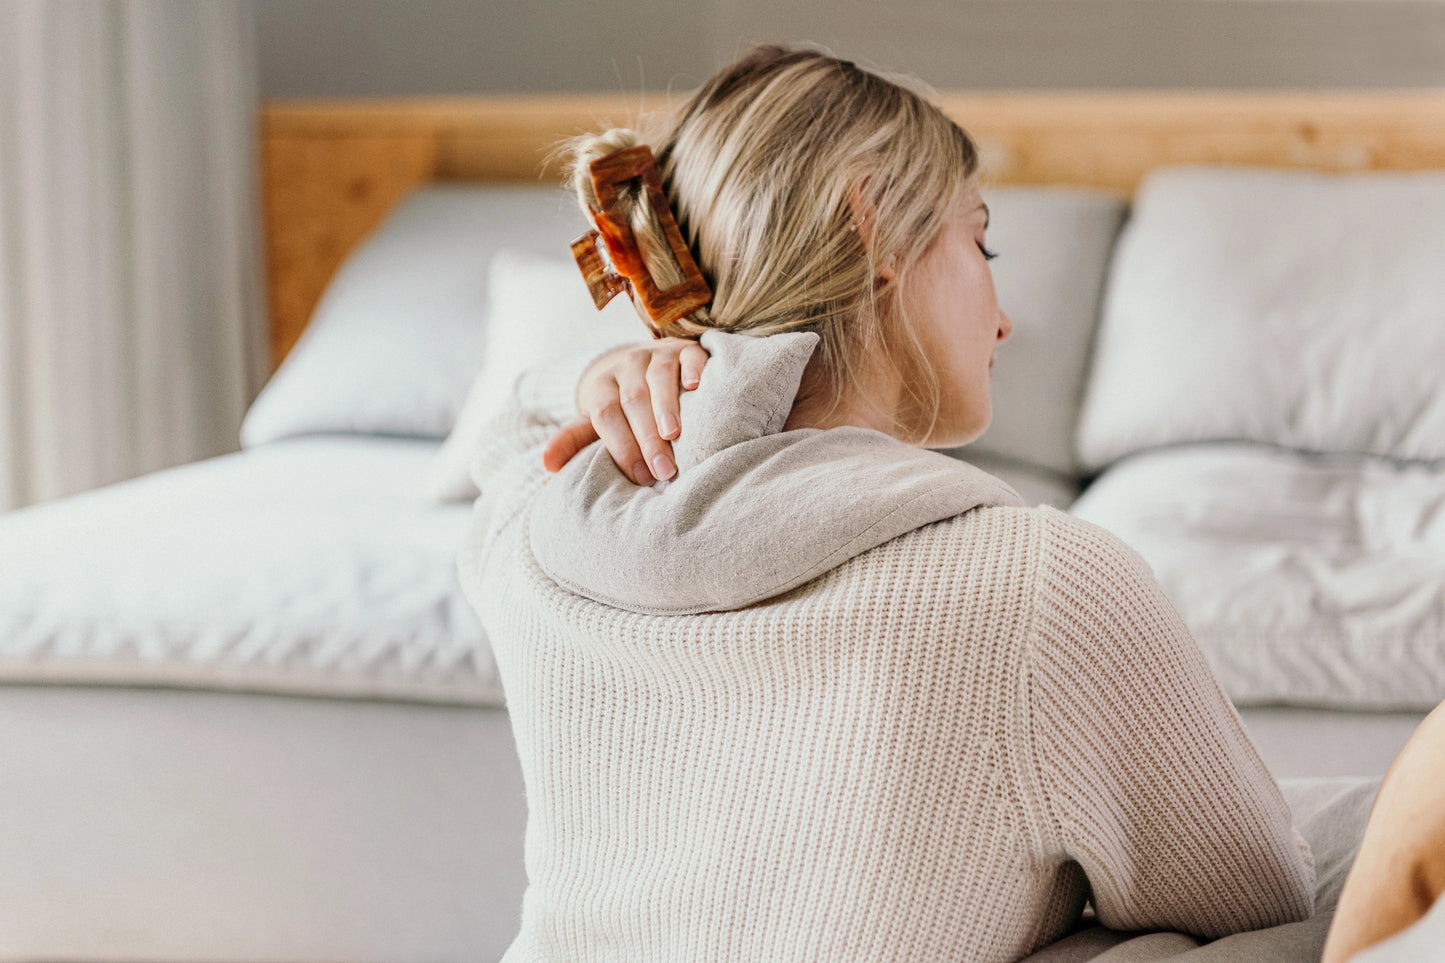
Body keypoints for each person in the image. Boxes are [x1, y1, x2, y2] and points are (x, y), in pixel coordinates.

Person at [456, 45, 1315, 962]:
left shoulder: (527, 539)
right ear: (874, 228)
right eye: (977, 240)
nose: (1003, 316)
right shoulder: (1040, 590)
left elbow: (502, 440)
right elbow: (1262, 902)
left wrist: (598, 375)